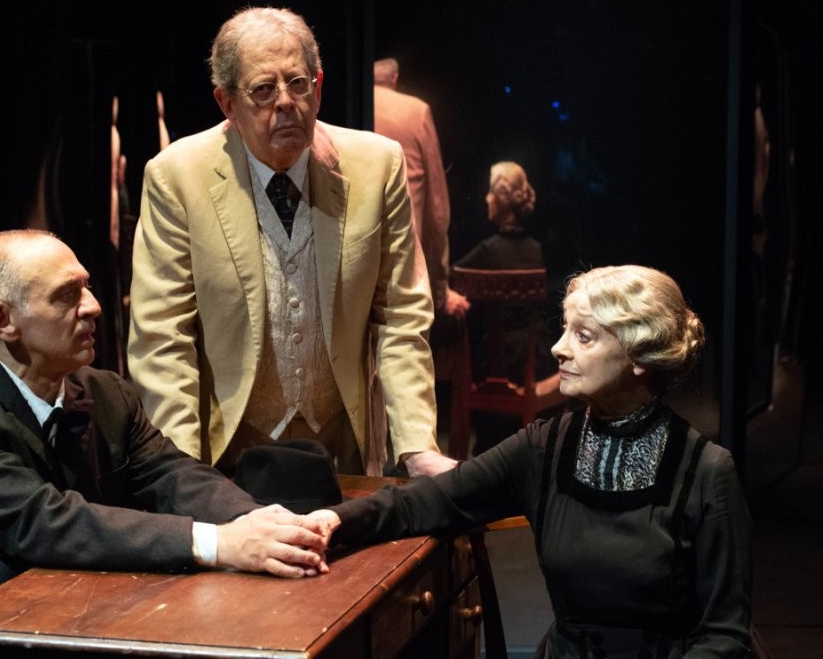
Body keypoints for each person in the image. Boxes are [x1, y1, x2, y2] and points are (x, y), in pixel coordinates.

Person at [0, 230, 329, 658]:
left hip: (64, 625)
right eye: (66, 295)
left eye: (85, 287)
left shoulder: (105, 392)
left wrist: (258, 523)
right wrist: (219, 543)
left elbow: (171, 473)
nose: (92, 306)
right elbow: (49, 524)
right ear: (2, 320)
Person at [309, 265, 752, 658]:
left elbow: (724, 636)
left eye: (583, 336)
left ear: (639, 356)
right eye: (564, 330)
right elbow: (427, 501)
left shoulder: (706, 472)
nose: (558, 348)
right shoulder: (546, 447)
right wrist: (332, 521)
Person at [127, 7, 455, 478]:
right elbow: (163, 338)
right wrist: (182, 473)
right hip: (228, 459)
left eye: (298, 84)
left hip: (342, 455)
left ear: (318, 89)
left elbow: (402, 317)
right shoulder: (176, 177)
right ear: (226, 103)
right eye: (263, 90)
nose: (285, 102)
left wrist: (417, 446)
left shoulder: (378, 165)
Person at [373, 57, 469, 320]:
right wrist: (440, 289)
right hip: (403, 258)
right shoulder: (416, 112)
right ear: (395, 79)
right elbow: (437, 208)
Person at [457, 161, 559, 393]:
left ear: (501, 198)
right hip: (539, 360)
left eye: (491, 192)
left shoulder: (488, 250)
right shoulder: (535, 249)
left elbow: (450, 279)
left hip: (498, 364)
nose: (487, 198)